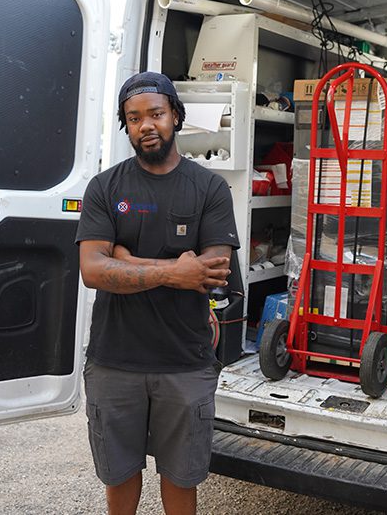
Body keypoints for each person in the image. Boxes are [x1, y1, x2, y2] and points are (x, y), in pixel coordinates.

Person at [75, 71, 240, 515]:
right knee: (119, 475)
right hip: (115, 361)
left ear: (176, 117)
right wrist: (172, 270)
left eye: (156, 114)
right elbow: (92, 269)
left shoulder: (209, 188)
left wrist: (127, 260)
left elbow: (211, 272)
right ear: (126, 126)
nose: (145, 125)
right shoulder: (105, 188)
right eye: (133, 118)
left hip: (184, 362)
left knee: (181, 477)